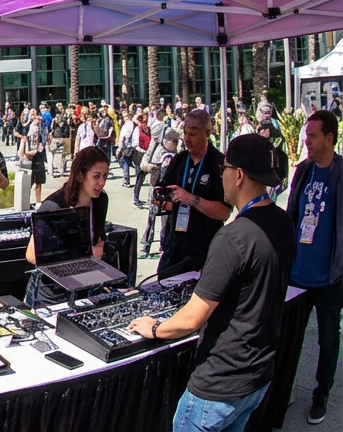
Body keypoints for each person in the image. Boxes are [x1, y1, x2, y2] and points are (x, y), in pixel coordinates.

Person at [129, 134, 294, 432]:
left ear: (239, 175)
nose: (222, 175)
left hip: (220, 383)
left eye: (225, 169)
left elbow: (192, 318)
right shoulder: (283, 222)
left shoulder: (232, 238)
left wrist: (154, 328)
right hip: (258, 374)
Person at [286, 110, 343, 425]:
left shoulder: (341, 172)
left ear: (329, 138)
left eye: (312, 136)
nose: (306, 141)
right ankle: (285, 389)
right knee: (288, 335)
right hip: (296, 275)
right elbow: (292, 213)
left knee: (328, 339)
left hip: (330, 278)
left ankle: (321, 395)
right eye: (306, 135)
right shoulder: (304, 170)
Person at [154, 109, 231, 276]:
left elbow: (224, 213)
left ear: (207, 133)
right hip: (175, 247)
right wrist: (161, 201)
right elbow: (165, 198)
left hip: (205, 252)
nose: (187, 139)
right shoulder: (179, 160)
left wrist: (192, 199)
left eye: (193, 134)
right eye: (185, 133)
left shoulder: (219, 164)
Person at [26, 146, 110, 264]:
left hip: (88, 269)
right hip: (52, 278)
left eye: (105, 176)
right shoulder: (53, 206)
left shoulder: (100, 200)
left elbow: (98, 239)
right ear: (80, 176)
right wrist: (85, 256)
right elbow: (31, 255)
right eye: (96, 176)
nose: (102, 182)